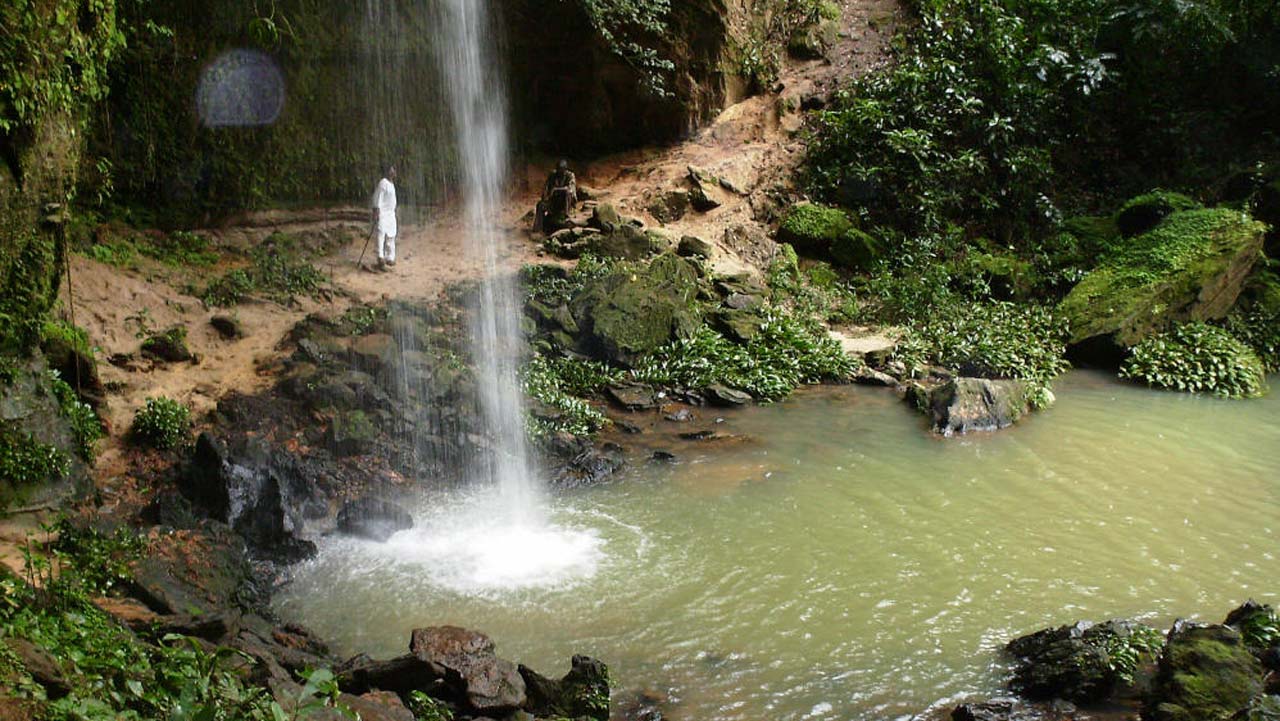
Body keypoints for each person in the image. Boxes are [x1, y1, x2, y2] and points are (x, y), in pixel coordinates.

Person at [534, 159, 577, 233]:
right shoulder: (552, 175)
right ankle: (538, 228)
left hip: (566, 203)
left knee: (567, 193)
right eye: (558, 171)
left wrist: (556, 189)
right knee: (540, 205)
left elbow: (570, 189)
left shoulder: (570, 175)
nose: (559, 173)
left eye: (561, 171)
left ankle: (566, 216)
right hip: (554, 202)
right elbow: (546, 188)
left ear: (565, 170)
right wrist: (545, 197)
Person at [371, 164, 398, 271]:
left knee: (391, 234)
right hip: (383, 212)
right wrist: (376, 211)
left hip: (391, 214)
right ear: (387, 171)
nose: (393, 172)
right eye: (391, 169)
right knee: (381, 233)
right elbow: (378, 197)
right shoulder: (383, 183)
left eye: (394, 170)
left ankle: (390, 257)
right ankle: (380, 256)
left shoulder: (392, 184)